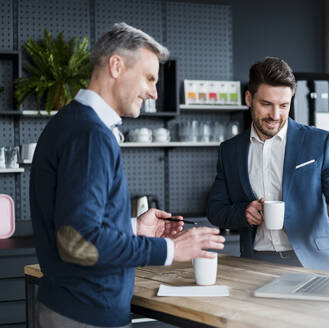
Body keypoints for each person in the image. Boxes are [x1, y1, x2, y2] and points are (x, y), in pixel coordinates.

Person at [30, 22, 225, 328]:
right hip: (86, 314)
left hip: (73, 309)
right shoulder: (90, 135)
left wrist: (132, 227)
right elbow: (78, 243)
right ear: (116, 66)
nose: (154, 92)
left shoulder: (71, 122)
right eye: (149, 78)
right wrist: (171, 249)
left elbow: (76, 226)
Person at [207, 57, 329, 273]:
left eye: (283, 105)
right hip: (256, 265)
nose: (275, 115)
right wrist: (243, 213)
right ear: (249, 98)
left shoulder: (319, 142)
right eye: (266, 104)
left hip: (314, 264)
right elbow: (215, 209)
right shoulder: (230, 150)